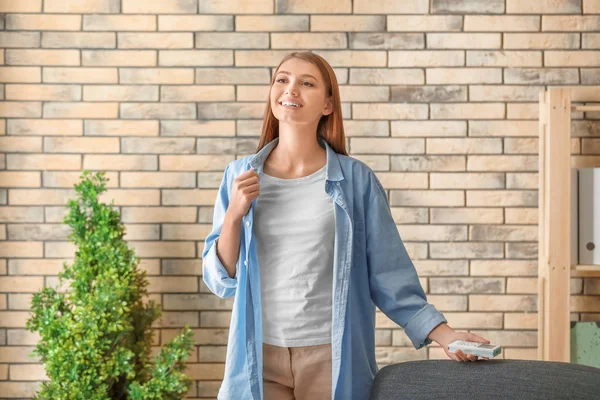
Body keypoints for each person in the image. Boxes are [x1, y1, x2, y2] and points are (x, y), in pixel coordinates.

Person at [202, 51, 491, 400]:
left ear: (327, 104)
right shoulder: (240, 176)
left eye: (307, 83)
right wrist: (234, 214)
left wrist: (443, 334)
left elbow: (388, 272)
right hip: (256, 355)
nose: (291, 89)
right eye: (282, 79)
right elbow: (220, 278)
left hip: (330, 356)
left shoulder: (356, 181)